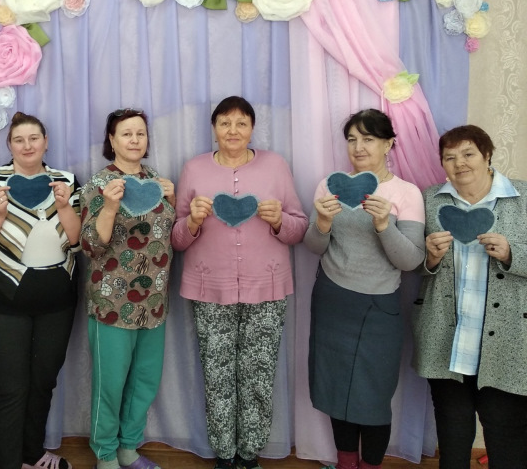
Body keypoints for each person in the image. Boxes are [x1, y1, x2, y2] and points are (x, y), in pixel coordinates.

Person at [171, 95, 308, 469]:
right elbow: (177, 239)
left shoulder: (275, 165)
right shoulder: (194, 169)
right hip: (210, 290)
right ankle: (224, 455)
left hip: (267, 290)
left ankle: (250, 455)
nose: (233, 130)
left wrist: (279, 220)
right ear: (214, 128)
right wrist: (192, 221)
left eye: (241, 123)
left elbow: (299, 229)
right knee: (217, 376)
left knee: (258, 376)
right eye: (225, 122)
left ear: (252, 128)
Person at [0, 111, 81, 469]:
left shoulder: (67, 182)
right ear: (9, 145)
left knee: (43, 382)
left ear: (46, 142)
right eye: (19, 140)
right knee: (9, 388)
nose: (27, 146)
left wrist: (63, 206)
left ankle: (32, 454)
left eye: (34, 138)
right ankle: (9, 463)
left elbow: (79, 243)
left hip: (57, 304)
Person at [304, 109, 425, 469]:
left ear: (389, 144)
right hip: (331, 299)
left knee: (372, 395)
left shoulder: (406, 192)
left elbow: (411, 261)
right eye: (352, 139)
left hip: (379, 306)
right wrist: (323, 222)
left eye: (368, 139)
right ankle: (345, 464)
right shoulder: (331, 185)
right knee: (335, 388)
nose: (358, 147)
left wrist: (385, 225)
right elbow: (314, 246)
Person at [412, 125, 527, 469]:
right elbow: (408, 261)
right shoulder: (430, 199)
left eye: (468, 154)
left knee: (508, 438)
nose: (459, 163)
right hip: (447, 340)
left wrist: (512, 254)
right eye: (449, 157)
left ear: (487, 155)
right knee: (453, 438)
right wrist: (430, 259)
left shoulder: (522, 197)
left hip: (507, 342)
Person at [80, 108, 176, 469]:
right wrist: (109, 206)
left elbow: (171, 232)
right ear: (112, 139)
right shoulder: (98, 183)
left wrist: (174, 199)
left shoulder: (157, 181)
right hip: (112, 302)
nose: (135, 140)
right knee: (111, 383)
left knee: (144, 381)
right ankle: (105, 453)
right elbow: (90, 245)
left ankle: (128, 448)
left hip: (155, 301)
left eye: (140, 133)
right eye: (126, 133)